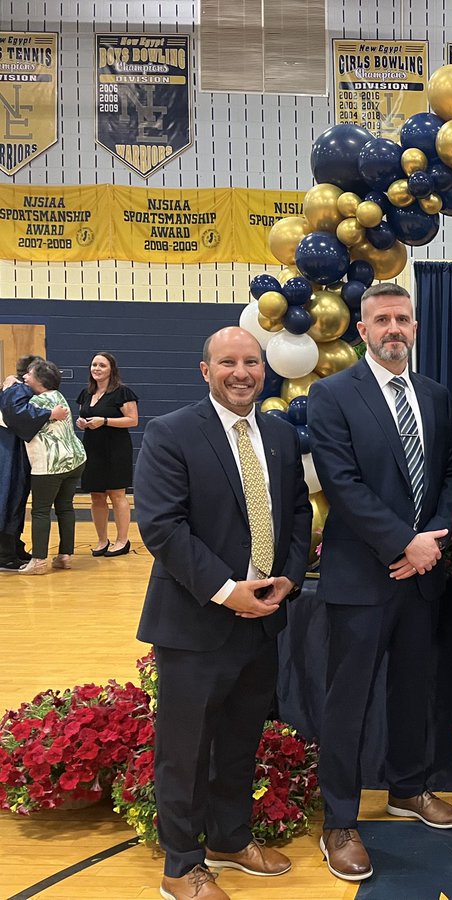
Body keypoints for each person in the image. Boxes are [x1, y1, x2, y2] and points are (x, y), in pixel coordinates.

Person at [135, 327, 311, 900]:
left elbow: (297, 513)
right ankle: (181, 865)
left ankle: (230, 839)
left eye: (251, 362)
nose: (242, 372)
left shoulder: (280, 435)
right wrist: (226, 589)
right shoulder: (171, 432)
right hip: (195, 621)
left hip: (263, 619)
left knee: (239, 739)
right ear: (205, 370)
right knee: (185, 750)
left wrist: (288, 576)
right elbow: (162, 526)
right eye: (228, 362)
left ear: (265, 369)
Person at [308, 283, 452, 882]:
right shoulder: (332, 394)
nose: (393, 328)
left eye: (402, 319)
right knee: (348, 703)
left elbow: (451, 475)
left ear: (415, 328)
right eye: (382, 320)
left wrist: (434, 541)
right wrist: (405, 542)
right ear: (363, 330)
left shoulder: (435, 395)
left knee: (412, 690)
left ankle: (408, 788)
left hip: (422, 577)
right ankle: (339, 821)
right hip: (362, 577)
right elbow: (341, 483)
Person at [6, 360, 86, 575]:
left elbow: (13, 415)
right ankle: (65, 556)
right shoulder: (58, 396)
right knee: (65, 508)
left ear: (40, 380)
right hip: (75, 459)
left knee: (41, 511)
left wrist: (10, 387)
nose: (24, 377)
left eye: (29, 374)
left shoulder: (36, 402)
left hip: (50, 464)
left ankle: (39, 561)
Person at [0, 356, 63, 570]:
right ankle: (5, 554)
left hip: (13, 451)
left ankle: (13, 547)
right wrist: (50, 414)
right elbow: (16, 414)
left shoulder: (19, 388)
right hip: (9, 452)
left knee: (15, 500)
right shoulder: (18, 389)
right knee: (9, 498)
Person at [76, 351, 139, 556]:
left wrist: (104, 421)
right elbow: (84, 414)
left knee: (117, 494)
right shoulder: (86, 393)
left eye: (102, 365)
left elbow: (133, 420)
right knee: (96, 495)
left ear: (111, 369)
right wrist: (82, 423)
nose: (97, 368)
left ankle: (123, 540)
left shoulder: (123, 392)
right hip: (92, 448)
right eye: (94, 364)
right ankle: (102, 540)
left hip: (116, 449)